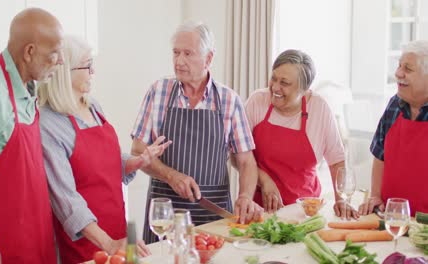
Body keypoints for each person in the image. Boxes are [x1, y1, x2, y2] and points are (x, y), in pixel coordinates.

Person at [38, 35, 170, 264]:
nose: (93, 72)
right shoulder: (48, 125)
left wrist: (137, 161)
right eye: (87, 65)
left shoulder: (92, 106)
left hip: (117, 230)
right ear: (65, 72)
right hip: (87, 242)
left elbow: (105, 163)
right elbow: (65, 199)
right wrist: (108, 243)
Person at [131, 21, 263, 244]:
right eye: (175, 53)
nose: (179, 61)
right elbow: (137, 150)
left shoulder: (229, 100)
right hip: (165, 216)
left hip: (213, 218)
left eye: (187, 54)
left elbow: (246, 162)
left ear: (208, 58)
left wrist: (244, 197)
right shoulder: (158, 91)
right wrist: (171, 176)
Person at [0, 8, 64, 264]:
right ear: (29, 52)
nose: (61, 61)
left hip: (30, 240)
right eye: (54, 53)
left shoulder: (30, 86)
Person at [244, 49, 356, 218]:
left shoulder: (319, 108)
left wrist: (341, 200)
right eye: (273, 78)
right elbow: (239, 155)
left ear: (304, 89)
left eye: (284, 83)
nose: (275, 87)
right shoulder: (257, 102)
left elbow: (336, 160)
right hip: (259, 210)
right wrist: (264, 180)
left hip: (305, 212)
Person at [359, 40, 428, 216]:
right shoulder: (394, 105)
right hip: (388, 218)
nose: (398, 73)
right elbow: (379, 154)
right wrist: (375, 196)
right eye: (399, 66)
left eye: (408, 69)